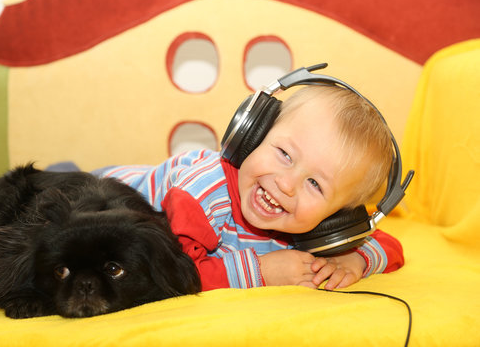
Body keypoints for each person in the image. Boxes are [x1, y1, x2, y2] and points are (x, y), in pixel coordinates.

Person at [92, 85, 404, 291]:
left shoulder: (320, 230)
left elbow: (390, 246)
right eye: (284, 154)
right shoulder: (203, 194)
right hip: (97, 194)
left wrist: (354, 260)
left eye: (314, 184)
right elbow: (170, 273)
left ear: (338, 220)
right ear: (254, 136)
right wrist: (261, 271)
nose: (286, 183)